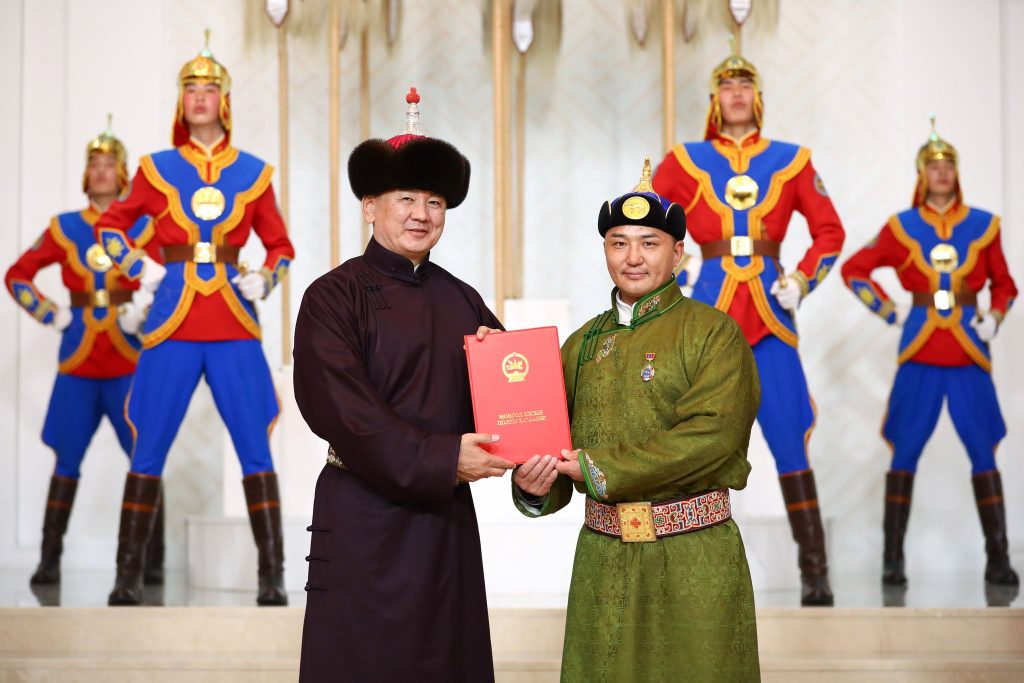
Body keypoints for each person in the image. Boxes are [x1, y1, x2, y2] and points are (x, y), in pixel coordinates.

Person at [292, 88, 513, 682]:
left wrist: (533, 458)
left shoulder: (463, 299)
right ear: (370, 206)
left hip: (444, 525)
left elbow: (512, 404)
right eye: (406, 198)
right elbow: (344, 412)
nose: (422, 214)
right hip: (362, 518)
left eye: (435, 202)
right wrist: (443, 457)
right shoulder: (332, 297)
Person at [514, 159, 761, 682]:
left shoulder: (713, 333)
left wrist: (598, 467)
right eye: (618, 243)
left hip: (694, 555)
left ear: (678, 253)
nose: (632, 257)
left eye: (649, 243)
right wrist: (535, 485)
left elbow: (713, 438)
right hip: (602, 560)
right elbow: (551, 441)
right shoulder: (580, 344)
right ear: (604, 251)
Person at [94, 32, 295, 606]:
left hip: (233, 323)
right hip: (170, 323)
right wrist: (139, 267)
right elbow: (111, 228)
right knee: (148, 445)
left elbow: (281, 247)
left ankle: (272, 575)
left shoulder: (254, 172)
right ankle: (127, 576)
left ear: (224, 101)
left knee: (254, 446)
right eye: (190, 89)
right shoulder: (154, 168)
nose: (199, 97)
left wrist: (266, 278)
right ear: (180, 101)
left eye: (209, 89)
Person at [651, 45, 845, 605]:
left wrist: (803, 279)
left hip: (771, 320)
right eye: (726, 86)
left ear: (757, 97)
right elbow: (649, 218)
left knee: (790, 437)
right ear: (715, 100)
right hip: (707, 319)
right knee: (694, 445)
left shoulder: (792, 159)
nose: (736, 94)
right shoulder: (685, 160)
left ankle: (814, 571)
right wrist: (680, 267)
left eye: (745, 85)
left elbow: (830, 232)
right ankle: (688, 573)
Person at [840, 117, 1018, 590]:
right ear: (921, 174)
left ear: (957, 173)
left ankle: (998, 558)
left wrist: (995, 316)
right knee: (905, 449)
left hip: (968, 352)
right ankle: (892, 560)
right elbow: (854, 269)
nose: (942, 172)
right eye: (934, 165)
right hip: (919, 351)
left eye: (949, 165)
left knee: (983, 449)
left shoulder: (984, 225)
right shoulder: (901, 227)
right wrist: (888, 310)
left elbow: (1005, 285)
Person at [5, 118, 157, 587]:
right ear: (85, 173)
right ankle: (49, 559)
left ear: (124, 173)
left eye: (110, 163)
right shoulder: (65, 227)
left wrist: (144, 312)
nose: (102, 171)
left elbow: (171, 279)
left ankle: (151, 560)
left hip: (129, 361)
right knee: (66, 458)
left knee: (145, 456)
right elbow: (17, 275)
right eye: (94, 163)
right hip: (78, 362)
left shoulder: (143, 226)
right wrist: (50, 313)